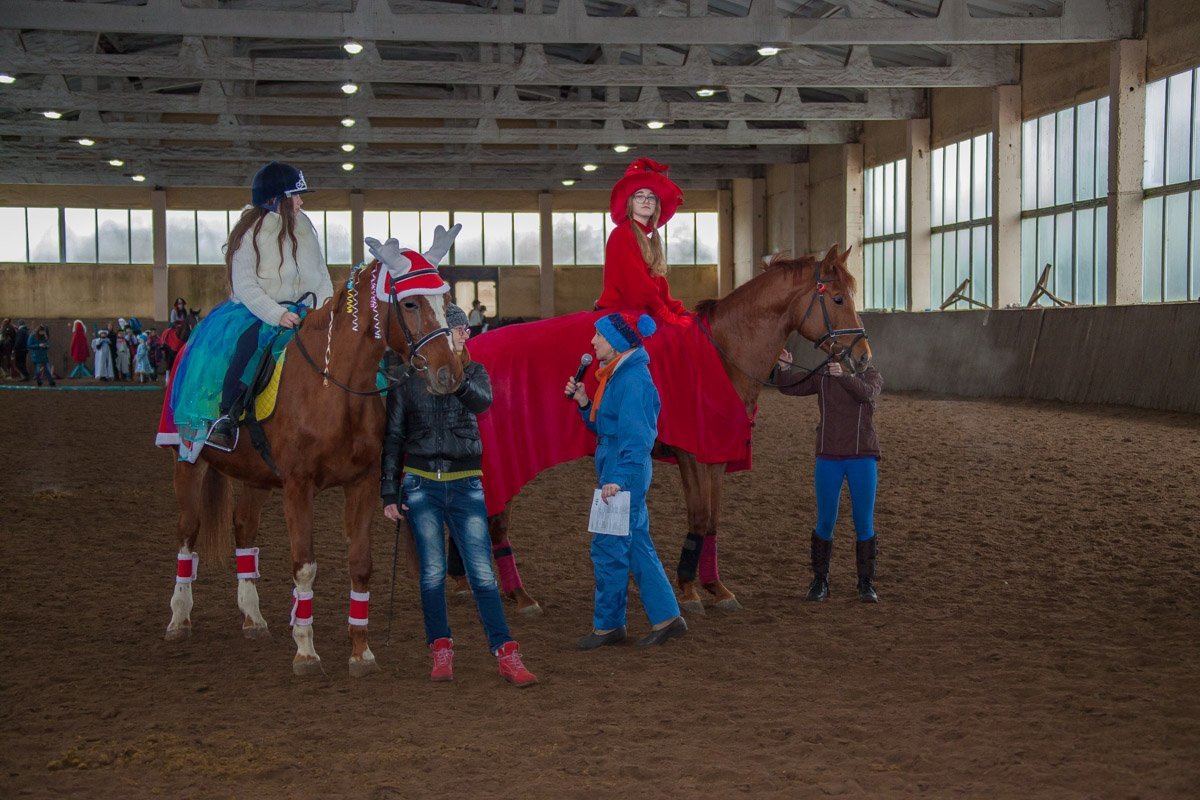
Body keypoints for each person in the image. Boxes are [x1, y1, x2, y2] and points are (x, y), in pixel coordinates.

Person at [381, 304, 538, 687]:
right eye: (458, 329)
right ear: (438, 333)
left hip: (466, 481)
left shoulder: (475, 373)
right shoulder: (405, 381)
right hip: (420, 484)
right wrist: (389, 489)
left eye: (466, 330)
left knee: (482, 575)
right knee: (432, 573)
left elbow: (482, 401)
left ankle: (506, 652)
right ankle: (440, 647)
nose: (466, 335)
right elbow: (394, 438)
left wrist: (456, 376)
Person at [566, 311, 687, 649]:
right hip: (621, 468)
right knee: (633, 542)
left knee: (608, 546)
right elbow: (610, 429)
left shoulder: (632, 380)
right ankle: (666, 617)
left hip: (622, 471)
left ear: (617, 342)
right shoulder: (619, 376)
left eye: (599, 336)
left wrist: (616, 479)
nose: (593, 341)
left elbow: (637, 439)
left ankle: (608, 626)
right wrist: (584, 403)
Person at [199, 160, 332, 451]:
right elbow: (245, 285)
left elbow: (322, 275)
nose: (300, 201)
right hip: (258, 311)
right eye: (294, 196)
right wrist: (277, 314)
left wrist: (325, 310)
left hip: (306, 311)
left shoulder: (306, 227)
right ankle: (228, 415)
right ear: (275, 200)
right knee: (249, 345)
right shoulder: (249, 233)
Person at [777, 349, 883, 603]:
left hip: (862, 456)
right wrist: (783, 370)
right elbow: (792, 386)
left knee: (863, 521)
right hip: (829, 456)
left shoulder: (872, 376)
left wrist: (844, 376)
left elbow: (865, 393)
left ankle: (866, 582)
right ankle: (820, 579)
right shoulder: (824, 376)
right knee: (825, 520)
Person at [595, 159, 691, 327]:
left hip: (640, 312)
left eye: (651, 197)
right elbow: (638, 285)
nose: (646, 201)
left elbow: (659, 286)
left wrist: (680, 311)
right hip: (619, 315)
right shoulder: (622, 235)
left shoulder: (648, 241)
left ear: (656, 205)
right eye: (639, 196)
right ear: (630, 203)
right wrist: (664, 313)